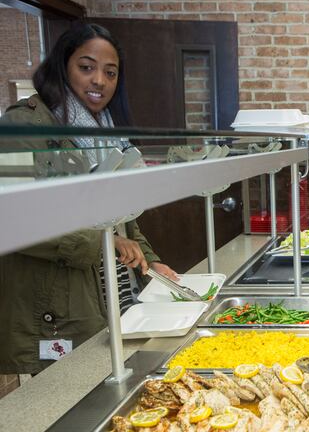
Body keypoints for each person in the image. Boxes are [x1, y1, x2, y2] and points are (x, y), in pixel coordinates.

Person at [0, 23, 178, 374]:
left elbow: (118, 214)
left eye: (110, 73)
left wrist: (151, 262)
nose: (99, 80)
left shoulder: (104, 130)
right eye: (86, 67)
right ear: (62, 67)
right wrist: (103, 242)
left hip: (114, 291)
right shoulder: (22, 127)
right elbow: (14, 218)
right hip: (58, 304)